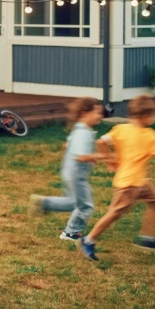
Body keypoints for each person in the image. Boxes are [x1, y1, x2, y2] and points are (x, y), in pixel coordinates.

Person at [80, 94, 155, 261]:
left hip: (139, 182)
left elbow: (101, 142)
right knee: (115, 213)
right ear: (145, 116)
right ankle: (88, 240)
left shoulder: (121, 129)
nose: (154, 118)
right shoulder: (150, 136)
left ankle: (148, 238)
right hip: (130, 185)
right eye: (153, 115)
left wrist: (109, 160)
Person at [29, 98, 107, 241]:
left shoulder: (79, 128)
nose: (100, 116)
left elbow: (67, 145)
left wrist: (90, 156)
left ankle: (44, 203)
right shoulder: (83, 132)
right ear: (85, 113)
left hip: (69, 171)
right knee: (85, 206)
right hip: (77, 175)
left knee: (73, 202)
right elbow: (81, 156)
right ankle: (71, 233)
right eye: (97, 113)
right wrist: (100, 155)